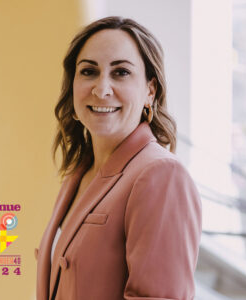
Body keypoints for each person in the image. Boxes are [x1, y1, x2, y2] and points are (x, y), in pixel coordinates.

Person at [35, 16, 202, 300]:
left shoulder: (161, 175)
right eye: (88, 71)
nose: (101, 89)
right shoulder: (79, 172)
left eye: (121, 73)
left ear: (150, 90)